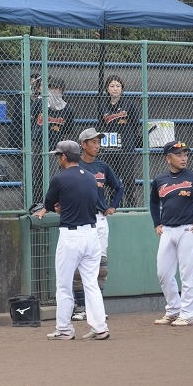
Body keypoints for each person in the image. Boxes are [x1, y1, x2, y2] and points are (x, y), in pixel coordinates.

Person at [32, 141, 110, 341]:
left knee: (64, 285)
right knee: (91, 284)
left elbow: (49, 203)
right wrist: (64, 206)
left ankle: (65, 329)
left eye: (59, 156)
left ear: (65, 157)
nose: (58, 159)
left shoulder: (59, 178)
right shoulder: (91, 177)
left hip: (71, 236)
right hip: (92, 235)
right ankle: (100, 327)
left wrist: (58, 208)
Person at [150, 141, 193, 327]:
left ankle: (187, 314)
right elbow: (153, 202)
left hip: (188, 230)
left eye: (185, 154)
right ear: (168, 158)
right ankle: (173, 310)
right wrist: (156, 223)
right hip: (167, 230)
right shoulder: (159, 180)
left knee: (187, 273)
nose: (183, 158)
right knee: (163, 273)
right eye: (179, 155)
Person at [72, 127, 124, 321]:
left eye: (98, 142)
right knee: (79, 266)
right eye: (93, 142)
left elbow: (119, 186)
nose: (97, 146)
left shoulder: (102, 166)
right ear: (83, 145)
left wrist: (113, 206)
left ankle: (96, 308)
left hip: (99, 219)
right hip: (80, 219)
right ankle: (81, 307)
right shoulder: (74, 165)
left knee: (100, 266)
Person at [31, 75, 75, 202]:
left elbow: (68, 129)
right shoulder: (40, 103)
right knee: (36, 174)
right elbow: (32, 119)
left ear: (62, 90)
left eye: (57, 88)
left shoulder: (67, 108)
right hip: (38, 142)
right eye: (51, 88)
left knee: (53, 176)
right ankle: (37, 202)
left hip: (56, 146)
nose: (53, 91)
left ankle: (52, 203)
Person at [99, 75, 140, 207]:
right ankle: (115, 204)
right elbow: (101, 124)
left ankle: (131, 204)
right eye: (112, 86)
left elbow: (135, 124)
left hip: (126, 144)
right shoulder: (103, 105)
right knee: (112, 177)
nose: (115, 89)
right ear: (107, 89)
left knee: (128, 176)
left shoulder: (129, 104)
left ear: (122, 88)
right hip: (110, 145)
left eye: (118, 86)